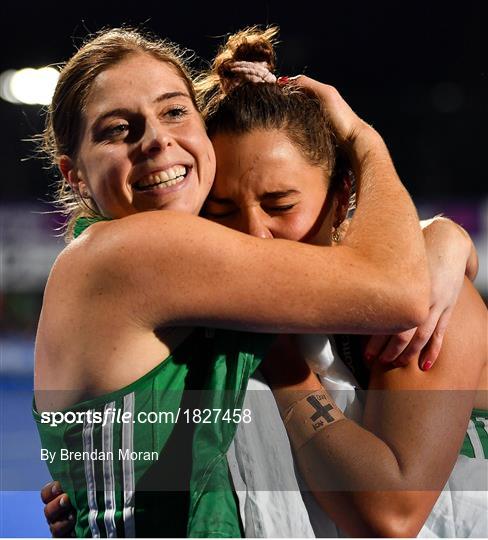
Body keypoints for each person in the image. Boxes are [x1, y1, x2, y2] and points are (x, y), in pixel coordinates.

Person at [34, 26, 480, 538]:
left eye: (175, 111)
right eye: (116, 129)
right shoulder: (130, 256)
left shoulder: (213, 313)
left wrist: (442, 237)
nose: (157, 139)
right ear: (73, 174)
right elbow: (399, 291)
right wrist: (364, 140)